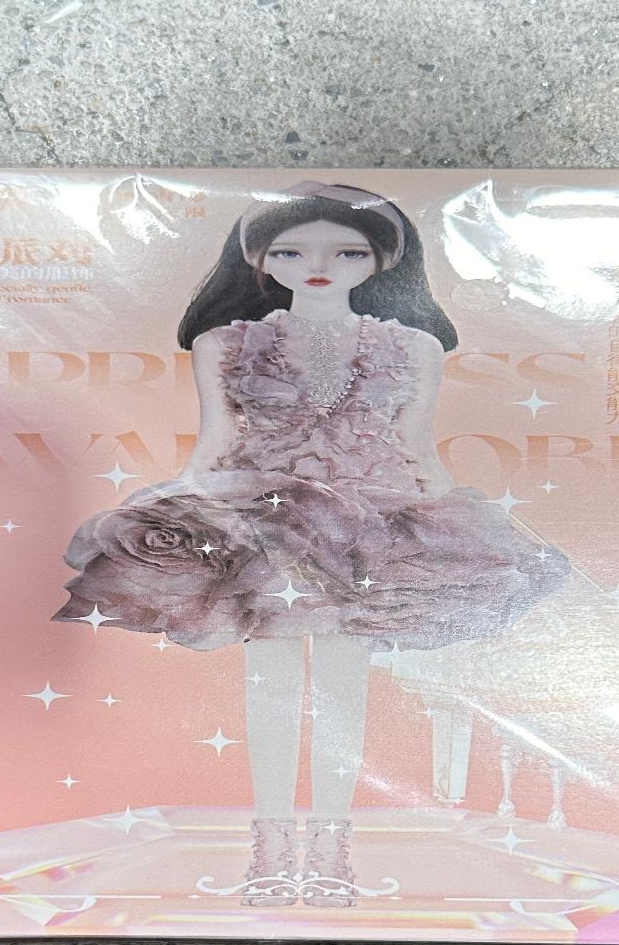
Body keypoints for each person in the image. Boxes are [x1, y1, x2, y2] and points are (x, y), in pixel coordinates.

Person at [52, 180, 571, 906]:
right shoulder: (225, 343)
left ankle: (330, 851)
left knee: (340, 691)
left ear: (382, 261)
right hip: (266, 525)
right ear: (260, 259)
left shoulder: (414, 346)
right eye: (291, 252)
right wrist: (182, 509)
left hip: (367, 530)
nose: (318, 266)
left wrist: (461, 532)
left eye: (347, 252)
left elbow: (417, 448)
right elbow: (215, 442)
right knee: (269, 687)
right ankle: (270, 850)